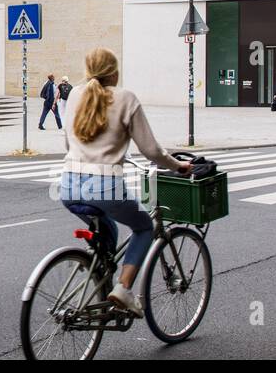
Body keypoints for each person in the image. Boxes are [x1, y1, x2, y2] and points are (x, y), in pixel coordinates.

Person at [60, 48, 193, 316]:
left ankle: (101, 276)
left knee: (108, 232)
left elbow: (67, 141)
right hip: (104, 186)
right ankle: (123, 289)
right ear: (115, 72)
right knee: (143, 227)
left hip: (68, 185)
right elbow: (152, 151)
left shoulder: (74, 94)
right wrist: (178, 166)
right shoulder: (126, 98)